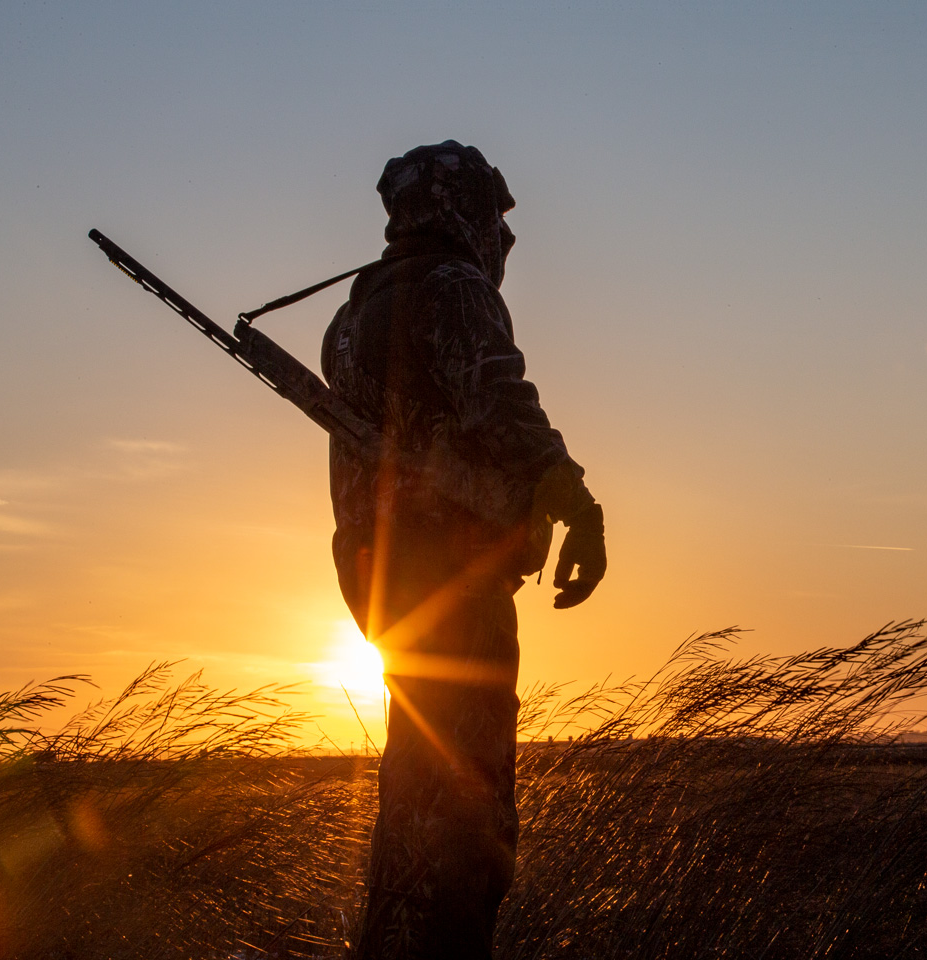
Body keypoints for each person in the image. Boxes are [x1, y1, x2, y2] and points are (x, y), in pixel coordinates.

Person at [321, 141, 606, 960]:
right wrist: (578, 505)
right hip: (457, 589)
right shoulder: (452, 288)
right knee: (471, 824)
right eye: (494, 215)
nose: (503, 239)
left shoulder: (354, 312)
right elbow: (499, 403)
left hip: (389, 593)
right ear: (463, 209)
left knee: (414, 808)